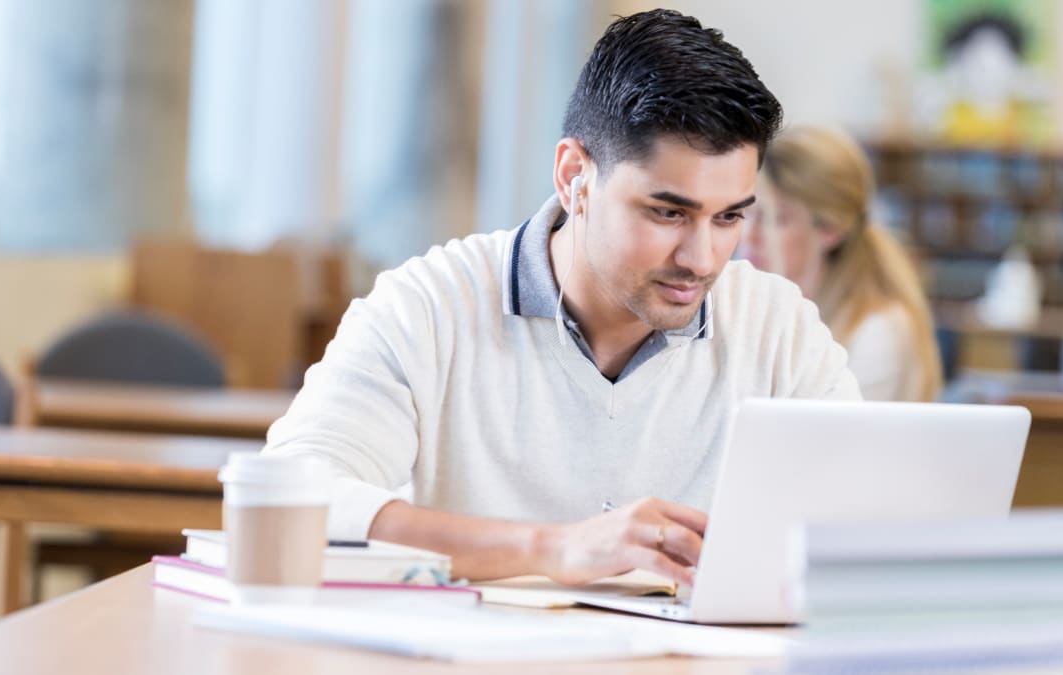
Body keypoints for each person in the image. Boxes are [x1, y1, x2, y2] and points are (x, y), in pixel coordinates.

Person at [264, 9, 860, 587]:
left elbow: (868, 520)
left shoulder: (778, 329)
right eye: (667, 212)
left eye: (729, 217)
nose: (703, 259)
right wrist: (551, 547)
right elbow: (286, 498)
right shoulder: (429, 306)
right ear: (575, 174)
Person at [739, 126, 942, 402]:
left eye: (777, 219)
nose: (750, 236)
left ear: (830, 229)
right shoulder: (762, 311)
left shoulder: (877, 332)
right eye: (744, 213)